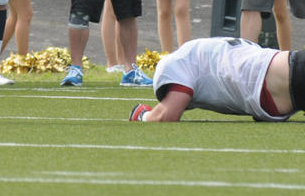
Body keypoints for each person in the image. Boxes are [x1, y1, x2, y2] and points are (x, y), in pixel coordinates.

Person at [129, 37, 304, 122]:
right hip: (291, 81)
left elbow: (166, 116)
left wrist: (143, 115)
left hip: (293, 74)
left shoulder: (177, 63)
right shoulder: (204, 53)